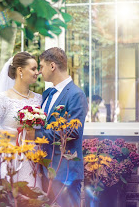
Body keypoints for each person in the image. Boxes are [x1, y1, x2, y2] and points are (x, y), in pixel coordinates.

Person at [0, 52, 42, 188]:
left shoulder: (38, 99)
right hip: (7, 157)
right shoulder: (4, 98)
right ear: (20, 70)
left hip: (30, 158)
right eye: (33, 69)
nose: (37, 72)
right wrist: (10, 134)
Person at [36, 47, 88, 207]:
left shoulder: (76, 94)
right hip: (44, 170)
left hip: (65, 172)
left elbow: (72, 132)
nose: (39, 71)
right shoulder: (48, 94)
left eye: (41, 66)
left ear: (52, 66)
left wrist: (36, 135)